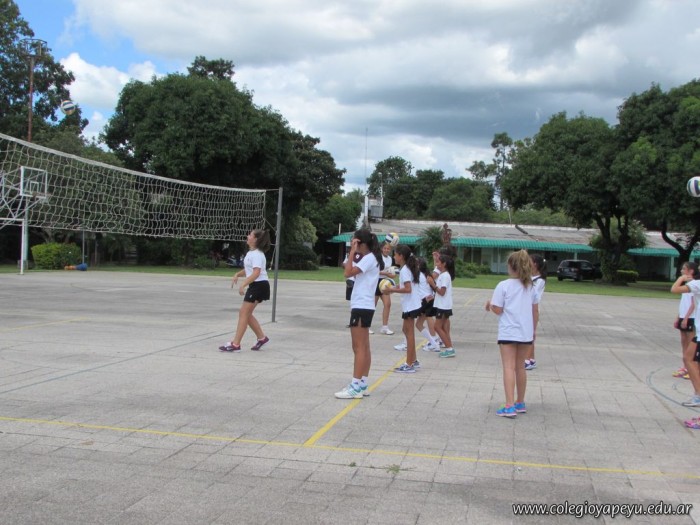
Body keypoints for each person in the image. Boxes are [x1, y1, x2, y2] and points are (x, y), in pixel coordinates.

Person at [485, 250, 539, 418]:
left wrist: (490, 305)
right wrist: (533, 330)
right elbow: (535, 311)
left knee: (508, 367)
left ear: (510, 266)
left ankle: (509, 405)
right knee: (520, 367)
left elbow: (498, 309)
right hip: (525, 332)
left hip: (508, 331)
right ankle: (520, 402)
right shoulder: (531, 287)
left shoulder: (503, 285)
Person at [335, 228, 383, 399]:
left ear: (360, 243)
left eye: (354, 241)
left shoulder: (368, 258)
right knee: (364, 346)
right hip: (365, 305)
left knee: (358, 347)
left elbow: (347, 273)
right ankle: (362, 383)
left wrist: (351, 252)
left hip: (362, 305)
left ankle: (355, 386)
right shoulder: (371, 258)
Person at [219, 229, 271, 352]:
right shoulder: (251, 253)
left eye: (250, 235)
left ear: (255, 239)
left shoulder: (257, 254)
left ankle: (236, 344)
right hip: (257, 285)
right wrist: (238, 274)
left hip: (259, 285)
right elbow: (249, 270)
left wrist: (243, 284)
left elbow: (256, 273)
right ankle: (261, 338)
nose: (247, 236)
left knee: (243, 313)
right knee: (246, 314)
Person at [384, 244, 422, 373]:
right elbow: (405, 286)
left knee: (409, 334)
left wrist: (392, 290)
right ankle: (414, 360)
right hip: (411, 304)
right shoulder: (407, 268)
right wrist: (392, 288)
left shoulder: (405, 270)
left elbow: (407, 289)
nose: (394, 257)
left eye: (395, 254)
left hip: (411, 305)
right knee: (405, 331)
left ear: (401, 256)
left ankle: (409, 364)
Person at [670, 271, 700, 408]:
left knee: (689, 359)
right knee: (691, 360)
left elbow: (674, 289)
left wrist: (681, 278)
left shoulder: (697, 284)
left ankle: (698, 395)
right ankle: (697, 394)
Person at [673, 262, 697, 379]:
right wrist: (679, 317)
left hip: (690, 317)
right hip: (683, 316)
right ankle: (685, 366)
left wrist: (686, 318)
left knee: (691, 344)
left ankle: (692, 368)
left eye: (684, 269)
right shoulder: (687, 285)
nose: (682, 270)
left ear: (691, 271)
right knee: (684, 343)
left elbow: (693, 304)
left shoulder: (694, 285)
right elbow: (684, 303)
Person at [524, 254, 547, 370]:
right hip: (526, 309)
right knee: (529, 334)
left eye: (530, 261)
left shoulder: (540, 280)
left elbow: (532, 294)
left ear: (535, 264)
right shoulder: (529, 277)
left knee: (530, 334)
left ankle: (527, 360)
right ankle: (532, 359)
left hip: (532, 309)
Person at [432, 253, 456, 358]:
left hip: (443, 306)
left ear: (444, 264)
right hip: (443, 305)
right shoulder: (443, 275)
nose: (436, 264)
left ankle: (449, 349)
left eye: (438, 262)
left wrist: (433, 285)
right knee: (444, 328)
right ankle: (449, 347)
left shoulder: (445, 276)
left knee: (437, 327)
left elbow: (442, 292)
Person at [416, 257, 440, 352]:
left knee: (419, 323)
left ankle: (434, 341)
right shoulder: (426, 274)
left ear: (418, 266)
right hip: (429, 299)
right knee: (419, 323)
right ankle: (434, 342)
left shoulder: (418, 275)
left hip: (425, 301)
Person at [374, 242, 396, 335]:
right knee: (372, 305)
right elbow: (374, 271)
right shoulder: (377, 257)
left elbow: (390, 271)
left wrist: (392, 275)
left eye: (388, 249)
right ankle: (367, 326)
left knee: (388, 304)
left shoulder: (390, 259)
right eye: (385, 248)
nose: (387, 250)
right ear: (381, 249)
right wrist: (386, 273)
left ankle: (385, 327)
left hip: (385, 282)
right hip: (376, 282)